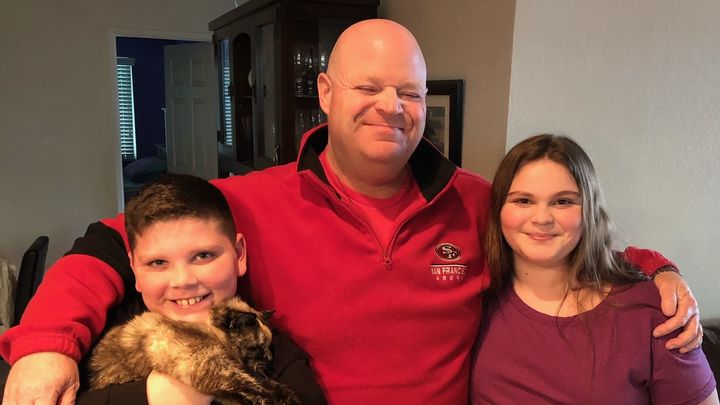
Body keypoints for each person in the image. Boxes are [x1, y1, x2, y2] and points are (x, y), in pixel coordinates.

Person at [0, 19, 703, 404]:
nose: (391, 107)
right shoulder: (251, 202)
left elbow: (564, 240)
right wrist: (42, 347)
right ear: (326, 93)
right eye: (368, 87)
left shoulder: (477, 202)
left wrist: (660, 271)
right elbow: (109, 244)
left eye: (410, 92)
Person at [471, 134, 717, 404]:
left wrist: (662, 269)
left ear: (590, 210)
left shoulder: (655, 311)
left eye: (563, 201)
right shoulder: (473, 295)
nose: (542, 218)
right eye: (523, 200)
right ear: (498, 209)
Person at [51, 174, 326, 404]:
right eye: (158, 262)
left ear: (239, 255)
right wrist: (151, 395)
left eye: (203, 256)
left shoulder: (271, 349)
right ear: (134, 269)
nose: (182, 281)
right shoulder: (99, 337)